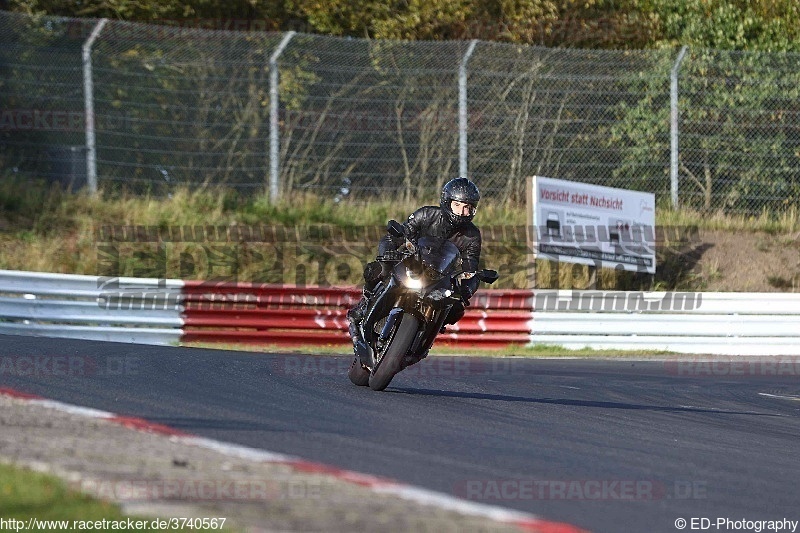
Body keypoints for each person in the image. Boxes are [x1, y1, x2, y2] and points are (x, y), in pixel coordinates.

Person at [347, 177, 483, 350]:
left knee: (457, 307)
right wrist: (391, 251)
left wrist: (466, 288)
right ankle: (364, 304)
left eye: (468, 207)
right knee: (378, 268)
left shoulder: (472, 236)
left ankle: (427, 335)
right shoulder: (426, 214)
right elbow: (399, 234)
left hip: (439, 278)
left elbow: (471, 266)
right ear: (447, 202)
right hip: (413, 264)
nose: (462, 212)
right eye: (458, 205)